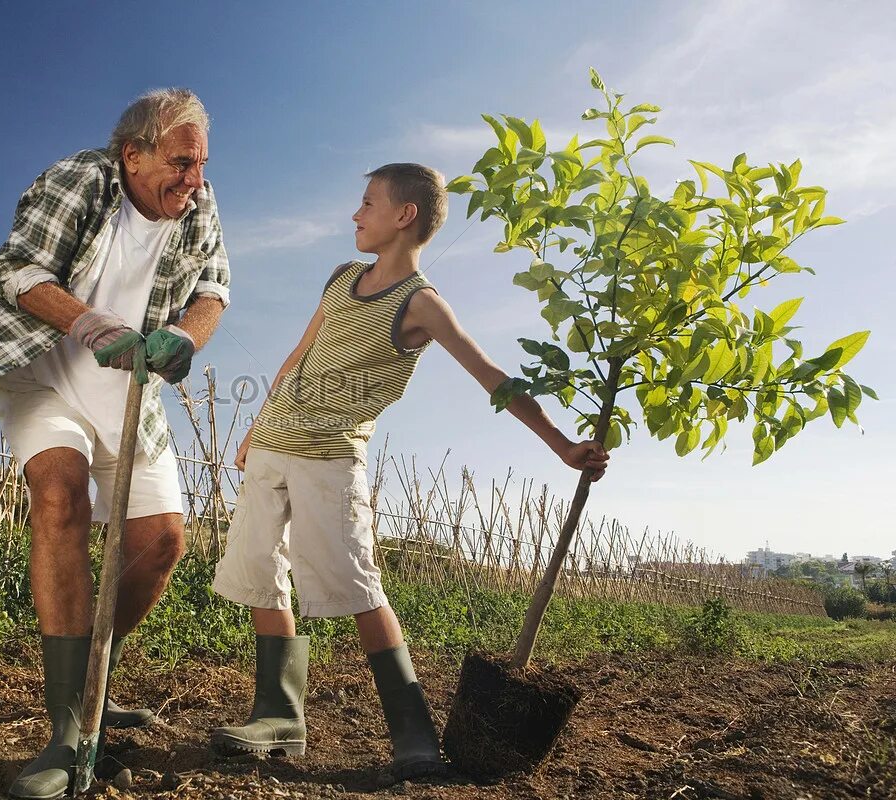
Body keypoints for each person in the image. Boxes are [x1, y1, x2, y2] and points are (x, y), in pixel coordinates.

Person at [208, 163, 608, 778]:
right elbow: (298, 354)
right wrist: (258, 426)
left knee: (359, 586)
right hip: (273, 448)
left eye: (367, 203)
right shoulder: (342, 277)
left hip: (331, 459)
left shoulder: (420, 304)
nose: (355, 214)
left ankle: (413, 733)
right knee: (260, 571)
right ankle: (280, 717)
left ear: (405, 216)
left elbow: (491, 376)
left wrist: (559, 444)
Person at [0, 88, 229, 800]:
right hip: (46, 378)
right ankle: (66, 729)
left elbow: (215, 291)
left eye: (200, 165)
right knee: (60, 498)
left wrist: (185, 337)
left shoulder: (200, 204)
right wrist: (91, 324)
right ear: (132, 155)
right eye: (180, 162)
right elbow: (18, 272)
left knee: (163, 541)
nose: (193, 179)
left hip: (131, 396)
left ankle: (91, 677)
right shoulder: (81, 179)